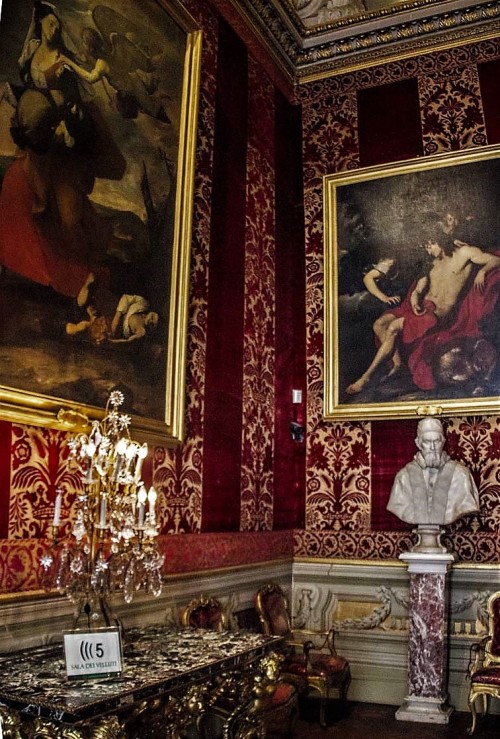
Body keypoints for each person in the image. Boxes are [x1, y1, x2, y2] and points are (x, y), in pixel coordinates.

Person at [346, 231, 500, 395]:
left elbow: (495, 259)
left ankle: (366, 378)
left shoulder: (463, 253)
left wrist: (483, 272)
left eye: (429, 245)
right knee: (382, 325)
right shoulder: (431, 264)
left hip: (438, 316)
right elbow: (419, 289)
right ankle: (395, 367)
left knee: (392, 328)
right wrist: (414, 297)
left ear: (438, 240)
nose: (427, 250)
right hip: (424, 310)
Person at [386, 417, 480, 525]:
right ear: (418, 443)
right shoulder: (403, 477)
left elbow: (466, 504)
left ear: (443, 442)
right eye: (427, 441)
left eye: (436, 441)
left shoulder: (461, 475)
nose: (432, 447)